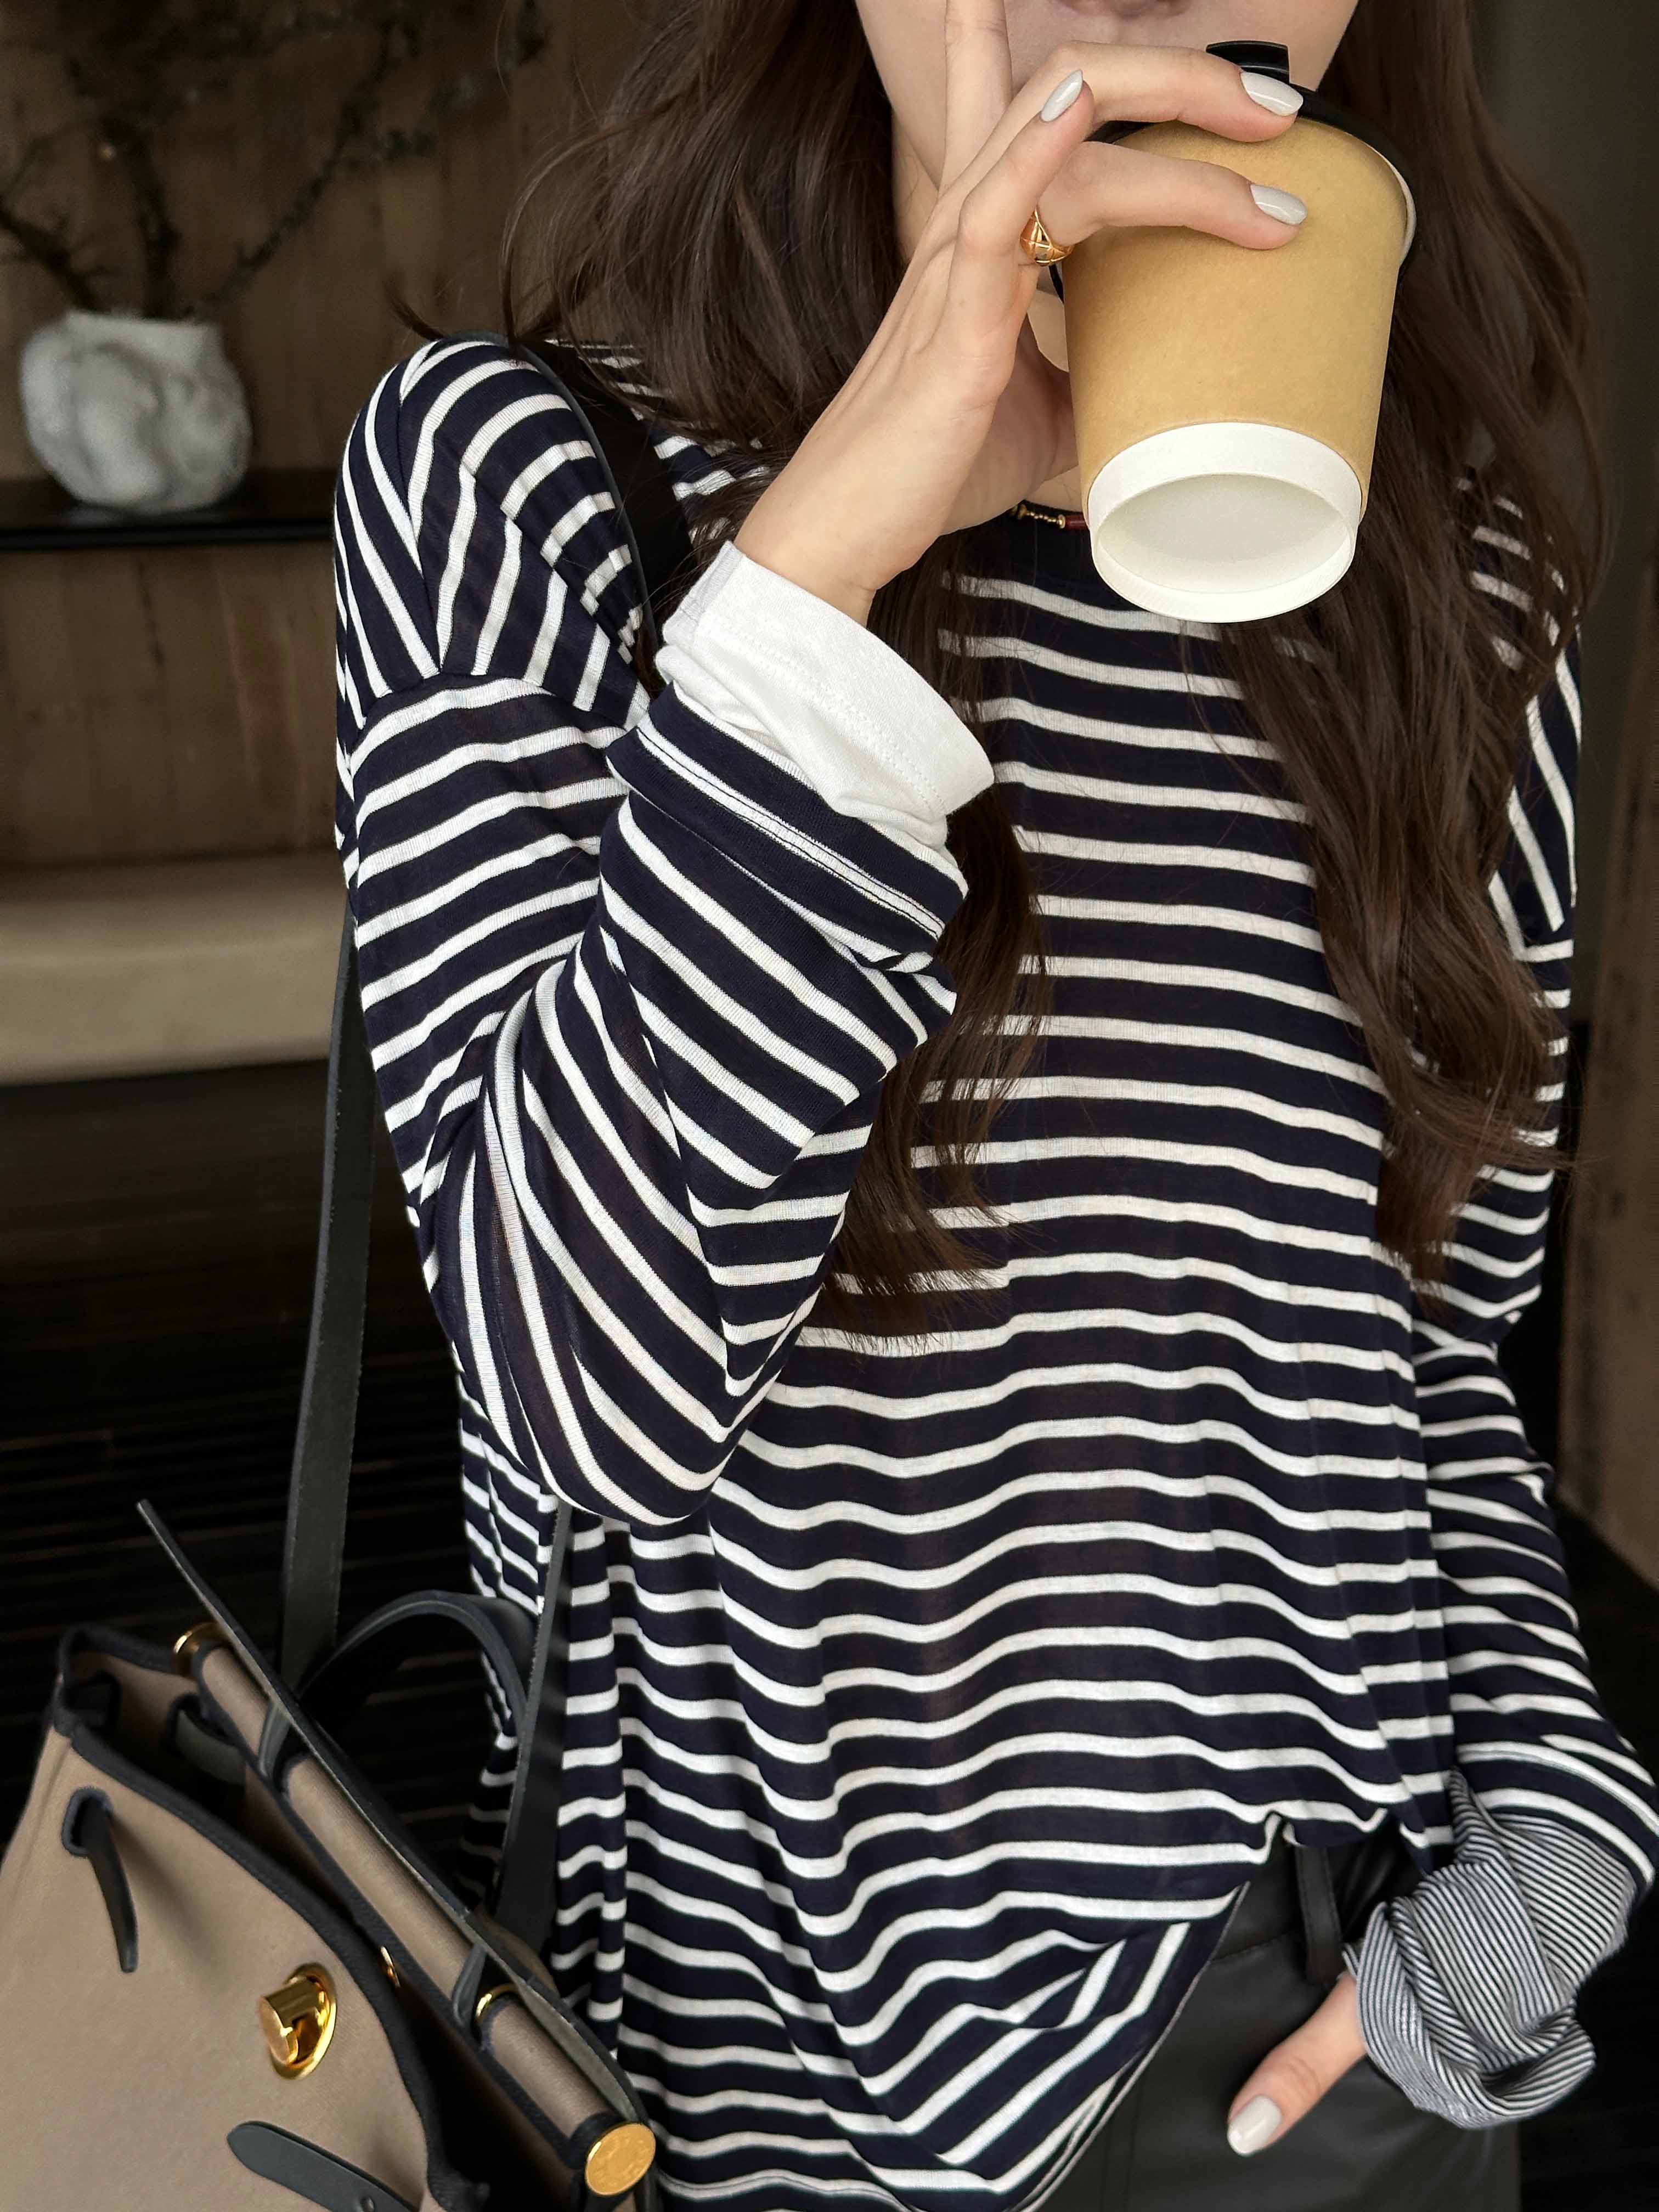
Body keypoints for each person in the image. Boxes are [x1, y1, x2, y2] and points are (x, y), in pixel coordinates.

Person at [329, 2, 1659, 2207]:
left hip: (1327, 2014)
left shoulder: (1463, 572)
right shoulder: (529, 480)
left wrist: (1550, 1831)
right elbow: (579, 1399)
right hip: (751, 2071)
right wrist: (819, 581)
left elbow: (1430, 1345)